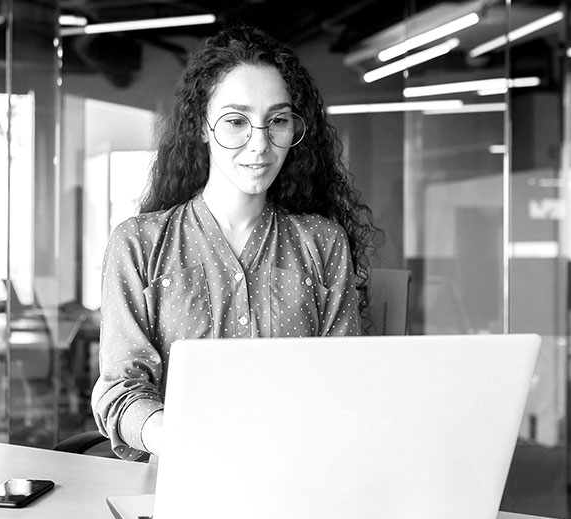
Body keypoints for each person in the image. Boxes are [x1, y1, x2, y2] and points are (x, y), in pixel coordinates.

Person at [91, 25, 379, 460]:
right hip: (182, 482)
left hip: (299, 477)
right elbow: (121, 390)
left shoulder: (324, 243)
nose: (260, 144)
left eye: (277, 120)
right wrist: (180, 439)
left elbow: (345, 383)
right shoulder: (138, 244)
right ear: (203, 128)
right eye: (235, 121)